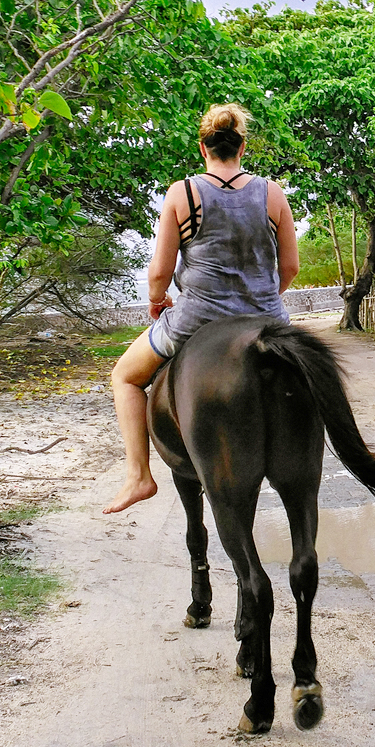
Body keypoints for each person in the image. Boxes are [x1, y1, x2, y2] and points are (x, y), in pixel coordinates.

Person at [102, 103, 300, 514]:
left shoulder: (183, 192)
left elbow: (159, 273)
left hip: (197, 319)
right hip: (266, 319)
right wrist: (263, 296)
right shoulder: (272, 192)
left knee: (124, 377)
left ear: (203, 148)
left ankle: (139, 476)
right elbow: (291, 267)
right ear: (241, 147)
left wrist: (158, 301)